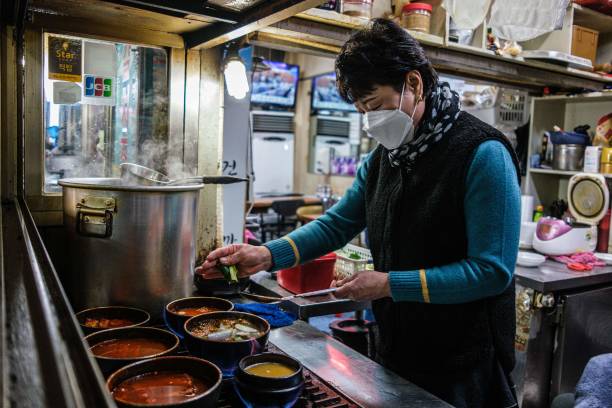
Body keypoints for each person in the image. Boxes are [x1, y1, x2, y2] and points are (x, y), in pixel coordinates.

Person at [198, 19, 520, 408]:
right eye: (363, 110)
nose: (371, 120)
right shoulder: (385, 159)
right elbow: (338, 224)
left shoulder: (482, 154)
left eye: (377, 105)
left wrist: (388, 284)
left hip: (464, 365)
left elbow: (491, 272)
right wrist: (265, 255)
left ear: (414, 84)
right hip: (396, 348)